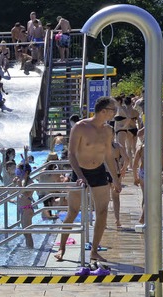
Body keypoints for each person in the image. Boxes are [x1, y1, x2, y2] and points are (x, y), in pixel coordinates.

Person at [55, 96, 120, 262]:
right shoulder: (81, 127)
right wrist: (80, 176)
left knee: (103, 211)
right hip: (80, 172)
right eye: (113, 110)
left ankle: (94, 250)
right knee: (73, 211)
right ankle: (61, 247)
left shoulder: (107, 130)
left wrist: (116, 178)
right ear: (104, 111)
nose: (115, 113)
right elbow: (71, 153)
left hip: (98, 171)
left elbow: (108, 155)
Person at [15, 163, 34, 248]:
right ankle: (28, 249)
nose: (17, 173)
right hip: (22, 209)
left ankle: (30, 250)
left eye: (19, 171)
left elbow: (27, 195)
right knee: (25, 234)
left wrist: (19, 186)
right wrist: (14, 184)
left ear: (26, 172)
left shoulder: (31, 183)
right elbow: (14, 193)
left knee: (28, 234)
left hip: (27, 209)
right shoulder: (22, 181)